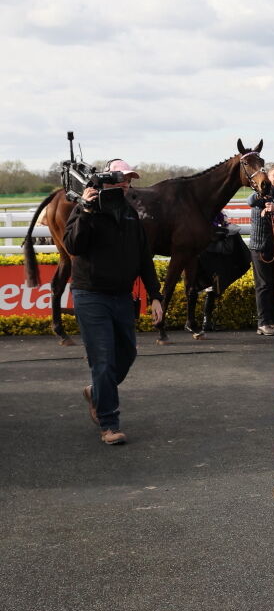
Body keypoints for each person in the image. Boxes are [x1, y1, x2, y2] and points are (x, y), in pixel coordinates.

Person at [63, 160, 164, 445]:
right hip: (91, 296)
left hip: (122, 297)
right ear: (105, 181)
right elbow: (74, 245)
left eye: (129, 179)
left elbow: (144, 258)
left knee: (127, 355)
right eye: (121, 179)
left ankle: (96, 392)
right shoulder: (84, 209)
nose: (126, 184)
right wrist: (85, 208)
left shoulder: (131, 215)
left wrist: (155, 296)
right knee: (104, 360)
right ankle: (109, 423)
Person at [248, 162, 274, 336]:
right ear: (269, 176)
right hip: (260, 246)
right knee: (263, 285)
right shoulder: (262, 192)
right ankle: (263, 322)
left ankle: (273, 321)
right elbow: (250, 200)